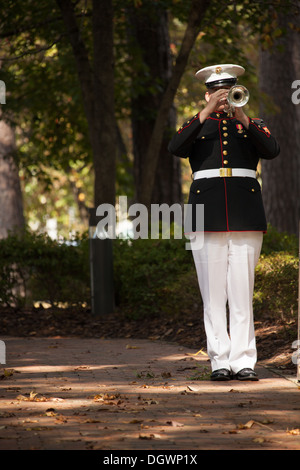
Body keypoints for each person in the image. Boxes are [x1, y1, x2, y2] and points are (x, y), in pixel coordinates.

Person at [168, 64, 280, 381]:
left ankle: (244, 360)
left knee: (242, 295)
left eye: (229, 91)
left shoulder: (251, 124)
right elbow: (174, 147)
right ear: (207, 94)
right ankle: (219, 360)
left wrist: (242, 116)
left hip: (245, 213)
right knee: (214, 296)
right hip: (206, 215)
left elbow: (272, 150)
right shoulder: (196, 125)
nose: (224, 98)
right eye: (217, 92)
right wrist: (205, 111)